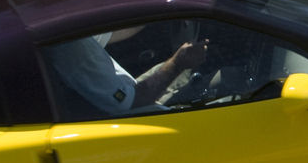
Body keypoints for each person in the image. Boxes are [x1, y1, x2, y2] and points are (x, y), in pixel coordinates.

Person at [46, 26, 209, 117]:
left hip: (129, 91)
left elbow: (108, 34)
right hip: (132, 107)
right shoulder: (71, 47)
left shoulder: (62, 23)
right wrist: (178, 63)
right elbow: (129, 104)